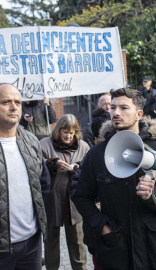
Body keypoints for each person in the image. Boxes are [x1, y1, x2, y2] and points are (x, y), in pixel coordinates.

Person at [72, 88, 156, 270]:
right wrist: (102, 225)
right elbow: (80, 196)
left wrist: (152, 196)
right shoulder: (97, 155)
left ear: (139, 114)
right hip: (116, 251)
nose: (115, 112)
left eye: (123, 108)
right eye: (113, 107)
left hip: (154, 253)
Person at [0, 83, 47, 270]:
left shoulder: (31, 141)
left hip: (32, 243)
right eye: (6, 102)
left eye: (18, 102)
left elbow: (44, 185)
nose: (14, 107)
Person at [40, 114, 90, 270]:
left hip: (74, 202)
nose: (69, 136)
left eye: (72, 132)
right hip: (51, 201)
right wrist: (51, 164)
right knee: (51, 241)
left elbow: (90, 170)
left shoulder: (83, 146)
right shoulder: (45, 144)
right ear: (58, 130)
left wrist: (79, 167)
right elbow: (36, 168)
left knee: (77, 241)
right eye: (65, 132)